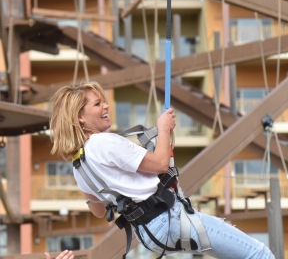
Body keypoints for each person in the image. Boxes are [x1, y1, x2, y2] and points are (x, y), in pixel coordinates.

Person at [49, 81, 274, 259]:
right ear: (80, 116)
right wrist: (163, 129)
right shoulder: (104, 143)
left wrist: (108, 187)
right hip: (168, 219)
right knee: (259, 254)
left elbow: (99, 212)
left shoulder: (79, 165)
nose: (106, 106)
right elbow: (160, 165)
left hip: (148, 233)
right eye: (98, 104)